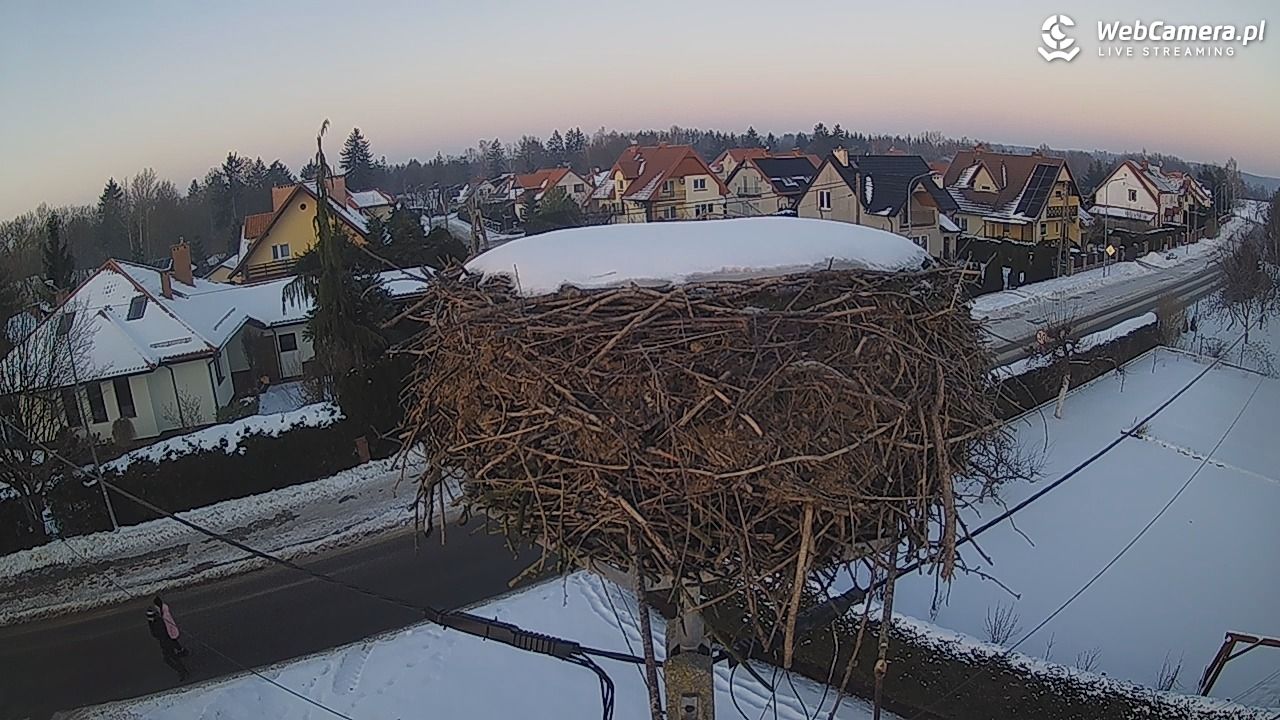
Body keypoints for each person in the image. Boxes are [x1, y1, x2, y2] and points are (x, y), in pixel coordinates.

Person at [146, 607, 189, 681]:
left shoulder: (158, 623)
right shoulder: (155, 622)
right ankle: (182, 670)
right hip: (165, 643)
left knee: (170, 659)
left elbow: (157, 634)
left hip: (166, 643)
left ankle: (182, 671)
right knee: (173, 658)